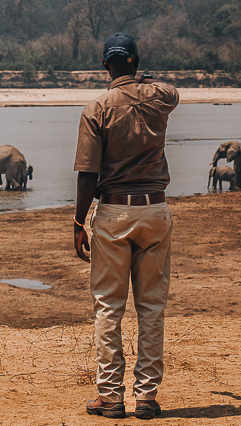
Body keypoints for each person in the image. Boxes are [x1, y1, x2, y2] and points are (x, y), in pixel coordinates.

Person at [72, 33, 179, 420]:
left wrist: (78, 221)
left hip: (113, 213)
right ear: (135, 61)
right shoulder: (160, 97)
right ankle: (147, 397)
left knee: (108, 307)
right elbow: (169, 88)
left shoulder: (96, 108)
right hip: (155, 211)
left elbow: (87, 173)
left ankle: (111, 396)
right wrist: (141, 79)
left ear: (105, 67)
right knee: (151, 307)